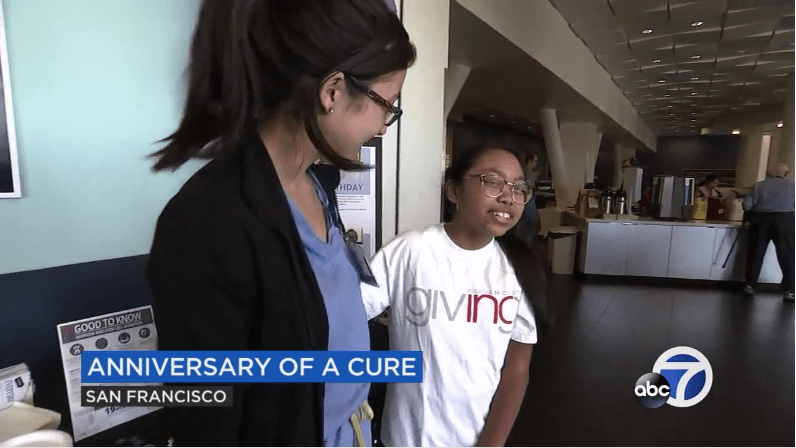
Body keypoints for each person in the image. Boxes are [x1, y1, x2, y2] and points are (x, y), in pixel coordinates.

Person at [145, 0, 415, 445]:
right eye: (386, 105)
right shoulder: (206, 223)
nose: (384, 126)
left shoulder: (316, 184)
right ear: (332, 91)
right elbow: (207, 424)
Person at [361, 144, 549, 447]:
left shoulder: (520, 269)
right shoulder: (411, 251)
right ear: (454, 191)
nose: (508, 196)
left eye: (519, 187)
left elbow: (516, 371)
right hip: (403, 439)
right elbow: (346, 317)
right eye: (492, 182)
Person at [742, 162, 795, 301]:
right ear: (785, 173)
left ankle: (750, 286)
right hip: (786, 220)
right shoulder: (793, 185)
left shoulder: (759, 186)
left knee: (755, 253)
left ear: (768, 173)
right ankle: (790, 290)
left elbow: (746, 204)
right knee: (787, 255)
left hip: (760, 220)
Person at [514, 153, 540, 246]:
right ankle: (526, 248)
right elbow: (529, 189)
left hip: (526, 203)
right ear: (529, 161)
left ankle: (521, 247)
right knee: (534, 226)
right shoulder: (527, 172)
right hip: (529, 203)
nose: (536, 163)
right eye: (535, 161)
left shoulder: (525, 172)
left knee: (524, 227)